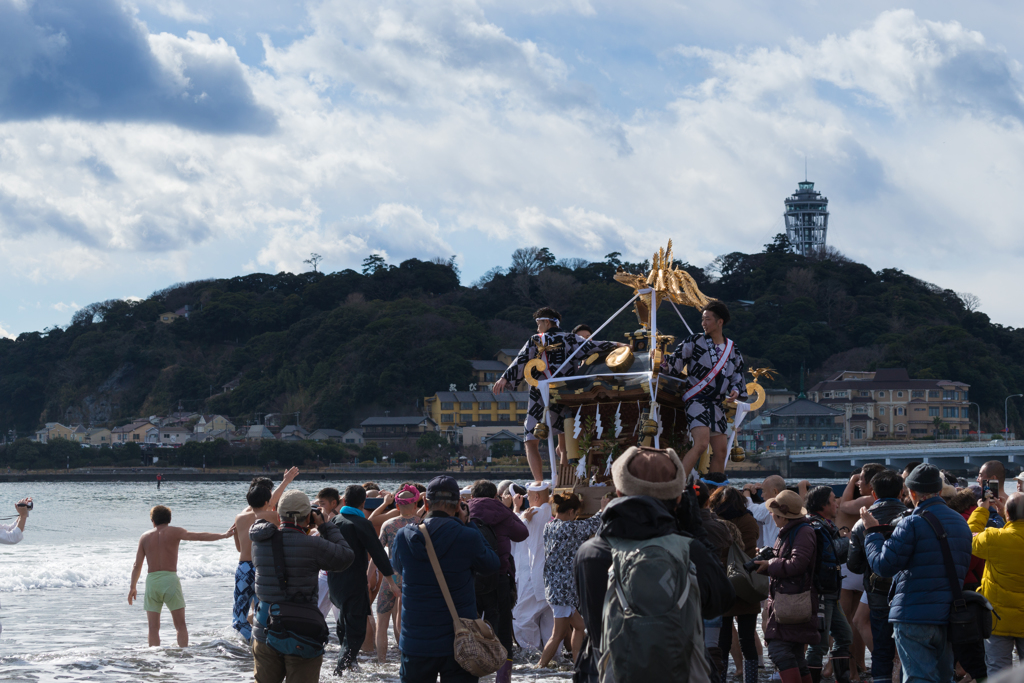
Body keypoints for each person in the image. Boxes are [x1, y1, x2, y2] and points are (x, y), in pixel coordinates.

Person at [574, 446, 733, 683]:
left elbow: (591, 617)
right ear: (678, 498)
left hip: (607, 673)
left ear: (618, 492)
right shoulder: (689, 549)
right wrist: (695, 530)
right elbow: (721, 602)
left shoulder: (591, 553)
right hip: (681, 671)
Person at [861, 463, 972, 683]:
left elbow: (883, 566)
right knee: (943, 677)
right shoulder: (961, 522)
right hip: (948, 614)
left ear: (911, 493)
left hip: (913, 615)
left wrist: (872, 532)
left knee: (918, 678)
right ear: (940, 491)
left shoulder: (911, 523)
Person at [492, 307, 624, 483]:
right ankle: (564, 483)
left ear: (547, 322)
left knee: (530, 441)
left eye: (539, 324)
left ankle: (539, 483)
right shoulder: (571, 338)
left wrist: (504, 378)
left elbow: (521, 360)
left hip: (541, 397)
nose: (538, 328)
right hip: (567, 396)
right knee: (565, 444)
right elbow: (593, 346)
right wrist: (617, 344)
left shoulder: (536, 339)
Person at [391, 476, 500, 683]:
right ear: (459, 504)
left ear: (425, 503)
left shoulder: (404, 536)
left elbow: (398, 567)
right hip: (459, 640)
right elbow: (492, 565)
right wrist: (470, 524)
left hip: (416, 640)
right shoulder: (467, 536)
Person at [249, 489, 355, 683]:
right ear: (308, 516)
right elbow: (346, 557)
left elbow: (282, 538)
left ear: (277, 512)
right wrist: (324, 526)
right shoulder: (312, 546)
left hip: (265, 628)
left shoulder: (259, 542)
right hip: (302, 630)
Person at [128, 505, 235, 647]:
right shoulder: (175, 532)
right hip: (170, 580)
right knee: (180, 625)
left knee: (153, 628)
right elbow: (198, 537)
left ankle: (153, 659)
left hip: (152, 582)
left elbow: (137, 565)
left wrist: (133, 587)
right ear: (169, 519)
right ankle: (183, 657)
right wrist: (224, 535)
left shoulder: (145, 537)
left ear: (152, 520)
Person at [661, 300, 747, 475]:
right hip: (696, 399)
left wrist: (736, 390)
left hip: (717, 404)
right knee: (701, 444)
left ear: (719, 322)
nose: (703, 323)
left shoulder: (732, 349)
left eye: (707, 319)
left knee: (721, 450)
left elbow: (738, 375)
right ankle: (678, 484)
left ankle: (714, 489)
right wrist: (662, 362)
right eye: (703, 319)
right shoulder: (694, 341)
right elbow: (675, 361)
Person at [329, 484, 400, 674]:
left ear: (344, 501)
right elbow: (378, 554)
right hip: (354, 583)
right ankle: (341, 668)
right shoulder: (362, 524)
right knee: (357, 628)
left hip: (335, 584)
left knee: (344, 623)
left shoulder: (334, 520)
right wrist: (392, 583)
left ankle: (348, 663)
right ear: (363, 503)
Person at [847, 469, 908, 683]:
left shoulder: (860, 524)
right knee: (909, 649)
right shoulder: (911, 518)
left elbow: (854, 565)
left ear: (874, 494)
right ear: (902, 491)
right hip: (907, 591)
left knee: (881, 651)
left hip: (877, 593)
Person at [466, 479, 528, 682]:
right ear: (495, 496)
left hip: (470, 579)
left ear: (472, 496)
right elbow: (522, 533)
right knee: (502, 630)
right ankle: (503, 678)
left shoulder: (465, 510)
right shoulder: (501, 511)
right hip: (500, 576)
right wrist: (508, 510)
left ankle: (470, 674)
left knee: (468, 629)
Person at [754, 490, 819, 683]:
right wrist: (767, 564)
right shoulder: (793, 530)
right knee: (795, 654)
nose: (771, 515)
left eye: (774, 513)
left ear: (782, 515)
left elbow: (798, 564)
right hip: (788, 599)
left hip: (793, 600)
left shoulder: (802, 531)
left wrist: (771, 564)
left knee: (779, 651)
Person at [232, 469, 300, 641]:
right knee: (261, 615)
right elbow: (272, 505)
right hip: (264, 569)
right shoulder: (274, 516)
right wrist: (285, 483)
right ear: (267, 501)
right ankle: (263, 645)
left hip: (244, 568)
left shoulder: (239, 518)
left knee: (239, 619)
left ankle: (251, 644)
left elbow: (239, 548)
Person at [537, 492, 601, 669]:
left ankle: (577, 664)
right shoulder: (569, 528)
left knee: (580, 627)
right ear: (571, 511)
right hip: (564, 591)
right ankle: (539, 667)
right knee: (557, 636)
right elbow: (594, 523)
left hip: (555, 587)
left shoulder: (549, 526)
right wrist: (604, 506)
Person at [709, 485, 762, 683]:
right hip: (747, 582)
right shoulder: (749, 520)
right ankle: (751, 679)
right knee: (747, 637)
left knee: (722, 640)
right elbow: (750, 549)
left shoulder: (715, 522)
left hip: (723, 584)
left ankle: (720, 678)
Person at [968, 492, 1024, 675]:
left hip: (997, 620)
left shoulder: (994, 538)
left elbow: (968, 537)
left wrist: (982, 510)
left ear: (1008, 514)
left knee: (999, 672)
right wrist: (1007, 514)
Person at [804, 486, 852, 683]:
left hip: (831, 592)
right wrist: (847, 542)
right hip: (821, 592)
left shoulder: (825, 525)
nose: (837, 503)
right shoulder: (815, 526)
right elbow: (828, 555)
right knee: (819, 643)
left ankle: (843, 679)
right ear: (822, 504)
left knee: (845, 635)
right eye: (833, 500)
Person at [374, 484, 423, 664]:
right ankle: (407, 661)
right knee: (407, 624)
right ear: (415, 504)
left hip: (391, 578)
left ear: (397, 506)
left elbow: (377, 555)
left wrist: (369, 575)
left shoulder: (388, 525)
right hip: (414, 579)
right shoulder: (422, 525)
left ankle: (381, 664)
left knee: (382, 623)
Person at [512, 481, 555, 651]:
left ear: (536, 496)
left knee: (521, 617)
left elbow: (514, 532)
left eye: (528, 495)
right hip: (549, 576)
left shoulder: (533, 514)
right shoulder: (549, 511)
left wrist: (520, 515)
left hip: (533, 574)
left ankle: (532, 653)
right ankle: (553, 655)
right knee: (549, 620)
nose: (526, 499)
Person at [742, 475, 786, 549]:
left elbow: (749, 509)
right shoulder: (791, 503)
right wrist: (764, 486)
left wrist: (746, 489)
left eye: (763, 491)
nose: (761, 495)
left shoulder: (770, 505)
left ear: (775, 492)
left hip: (772, 551)